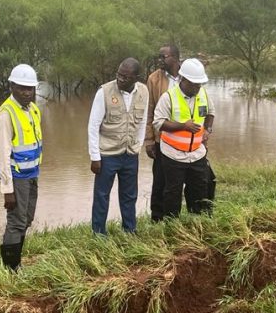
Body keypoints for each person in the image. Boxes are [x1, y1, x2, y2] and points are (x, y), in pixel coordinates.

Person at [87, 58, 148, 235]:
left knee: (129, 196)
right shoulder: (104, 92)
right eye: (119, 75)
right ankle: (98, 234)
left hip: (130, 154)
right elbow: (93, 125)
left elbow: (143, 121)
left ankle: (130, 230)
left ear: (136, 77)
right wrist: (95, 157)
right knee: (101, 196)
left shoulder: (144, 91)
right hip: (107, 154)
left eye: (126, 77)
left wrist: (138, 145)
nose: (120, 79)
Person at [0, 63, 42, 271]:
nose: (26, 92)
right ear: (12, 86)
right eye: (21, 87)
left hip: (31, 173)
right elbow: (1, 155)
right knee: (16, 221)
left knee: (26, 218)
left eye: (29, 88)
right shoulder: (6, 114)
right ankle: (11, 268)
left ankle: (16, 263)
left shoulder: (33, 110)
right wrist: (8, 190)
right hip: (16, 176)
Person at [153, 58, 215, 218]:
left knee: (199, 191)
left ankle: (198, 224)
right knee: (172, 193)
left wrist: (208, 129)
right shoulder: (169, 97)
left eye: (200, 84)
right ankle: (172, 227)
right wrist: (183, 126)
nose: (197, 87)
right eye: (194, 84)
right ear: (183, 79)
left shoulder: (203, 94)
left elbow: (211, 113)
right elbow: (158, 123)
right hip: (173, 155)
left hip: (197, 154)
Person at [144, 44, 181, 222]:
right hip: (162, 139)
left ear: (175, 57)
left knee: (187, 180)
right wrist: (149, 140)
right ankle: (157, 220)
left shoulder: (188, 76)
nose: (159, 60)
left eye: (163, 57)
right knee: (160, 182)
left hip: (186, 140)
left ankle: (180, 218)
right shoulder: (154, 79)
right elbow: (149, 110)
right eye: (158, 57)